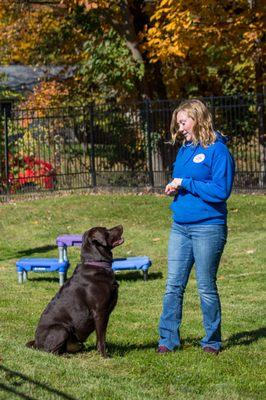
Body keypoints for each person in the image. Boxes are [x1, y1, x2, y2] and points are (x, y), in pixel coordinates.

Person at [157, 98, 235, 355]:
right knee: (173, 285)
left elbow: (220, 191)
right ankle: (168, 339)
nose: (180, 128)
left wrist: (186, 183)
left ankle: (212, 340)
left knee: (205, 286)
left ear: (198, 119)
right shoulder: (185, 150)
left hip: (208, 228)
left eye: (183, 122)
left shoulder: (218, 150)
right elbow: (185, 181)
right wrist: (175, 187)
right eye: (178, 123)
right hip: (180, 226)